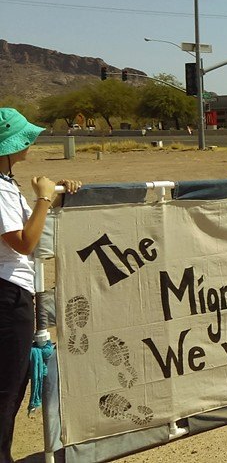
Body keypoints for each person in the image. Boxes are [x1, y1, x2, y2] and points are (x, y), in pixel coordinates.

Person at [0, 109, 81, 463]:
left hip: (12, 292)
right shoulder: (0, 191)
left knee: (10, 389)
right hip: (7, 295)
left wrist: (58, 192)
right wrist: (45, 198)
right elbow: (24, 243)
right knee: (6, 390)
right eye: (24, 138)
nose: (30, 143)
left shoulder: (7, 184)